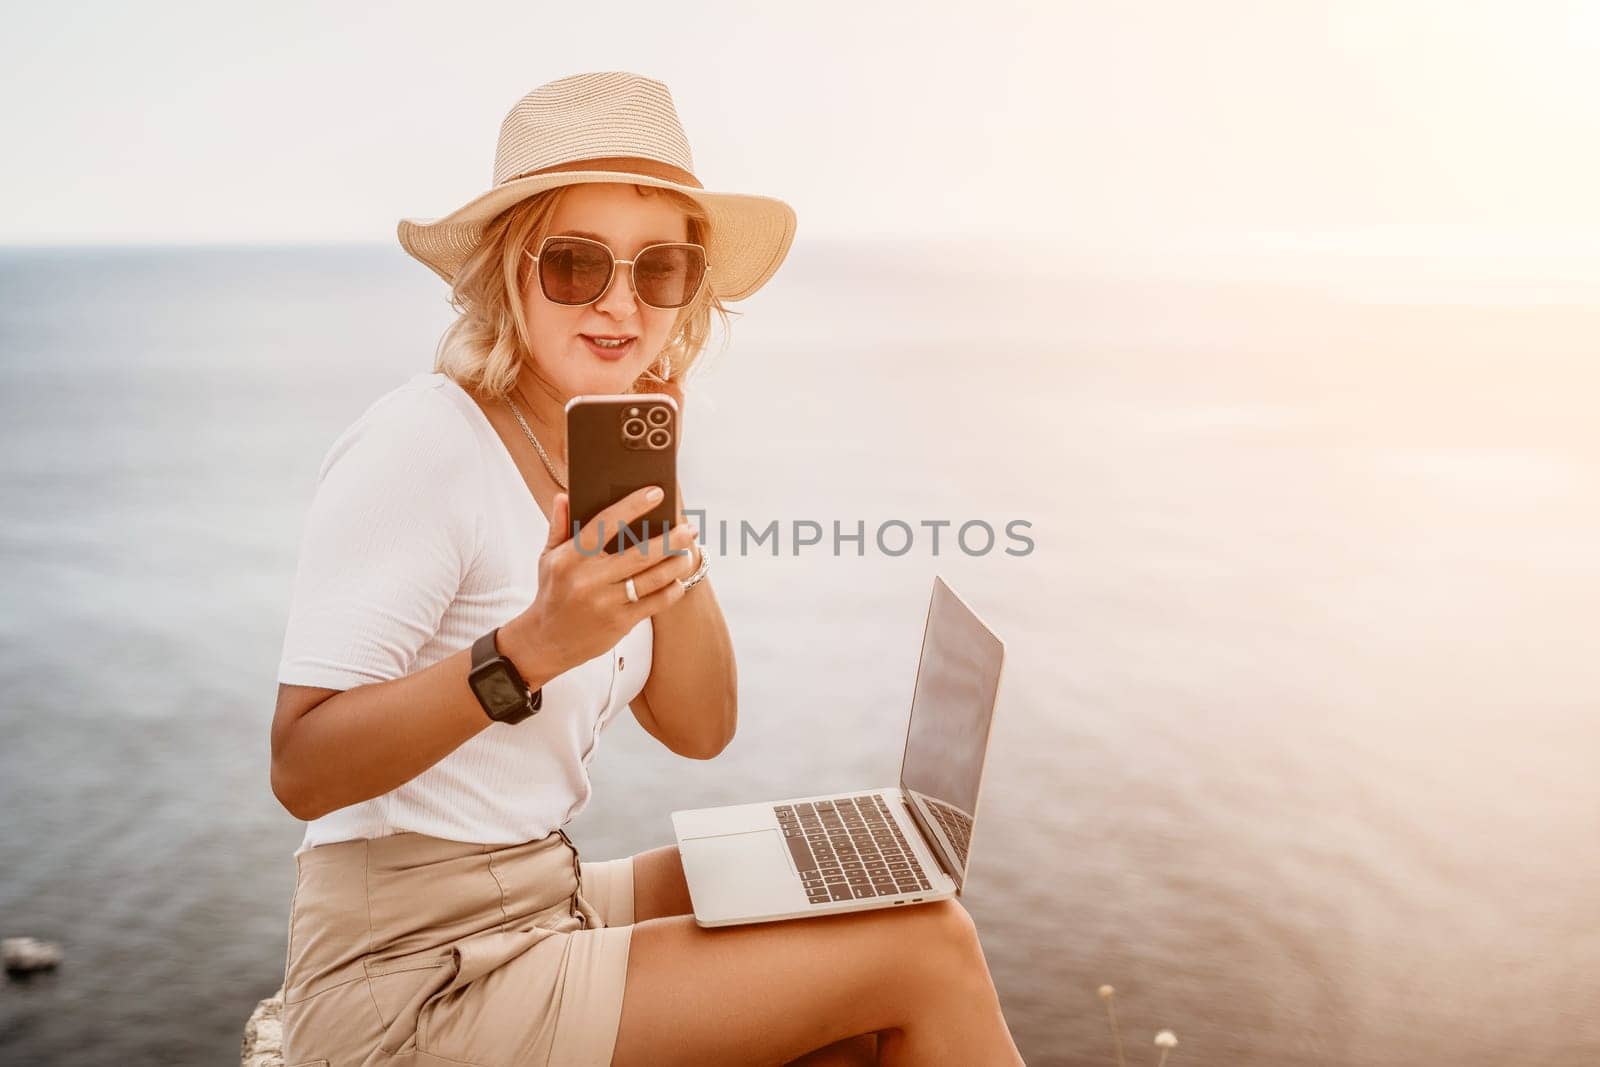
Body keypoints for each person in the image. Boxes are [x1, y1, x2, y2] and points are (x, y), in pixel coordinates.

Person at [270, 71, 1024, 1066]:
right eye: (577, 265)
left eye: (658, 270)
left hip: (538, 887)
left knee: (849, 920)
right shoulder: (424, 444)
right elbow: (302, 765)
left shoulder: (586, 456)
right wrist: (529, 648)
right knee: (923, 948)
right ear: (509, 273)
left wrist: (661, 506)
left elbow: (701, 725)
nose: (620, 303)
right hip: (409, 970)